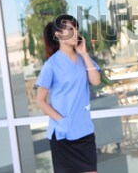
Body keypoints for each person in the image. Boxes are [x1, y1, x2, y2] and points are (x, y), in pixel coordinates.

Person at [36, 14, 101, 173]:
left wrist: (85, 54)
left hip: (84, 132)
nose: (76, 32)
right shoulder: (51, 65)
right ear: (58, 35)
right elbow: (40, 100)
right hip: (63, 136)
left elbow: (96, 81)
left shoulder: (83, 58)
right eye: (70, 29)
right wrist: (61, 121)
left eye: (76, 29)